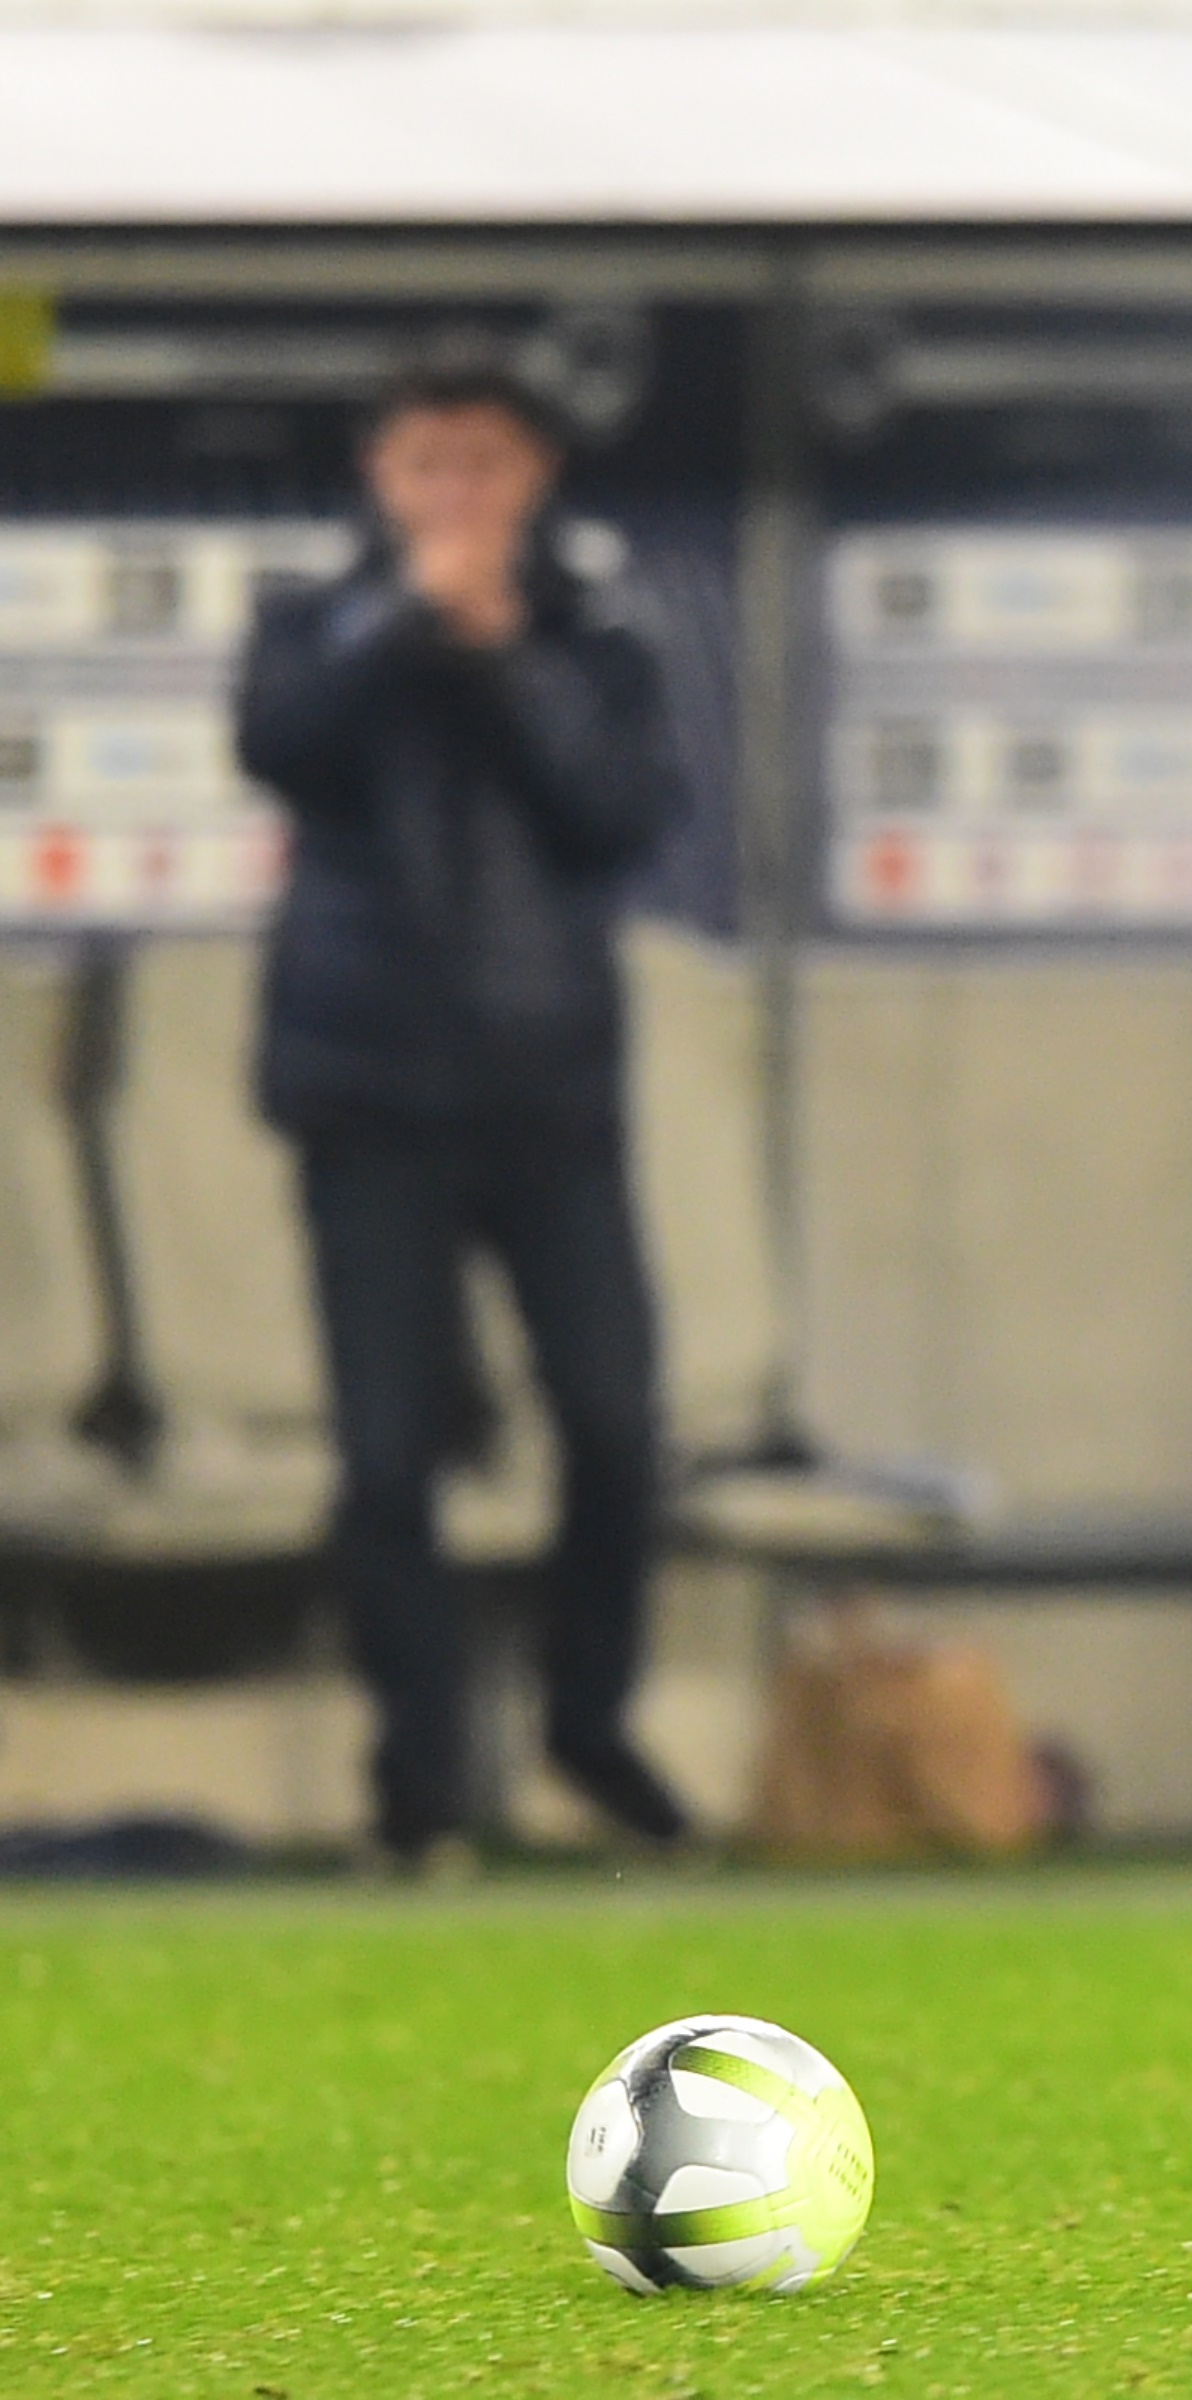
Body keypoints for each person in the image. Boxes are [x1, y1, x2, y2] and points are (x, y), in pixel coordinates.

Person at [234, 364, 689, 1869]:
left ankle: (588, 1732)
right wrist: (406, 627)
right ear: (380, 473)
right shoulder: (313, 625)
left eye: (484, 467)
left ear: (538, 476)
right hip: (366, 1093)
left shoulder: (597, 642)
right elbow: (286, 743)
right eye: (428, 466)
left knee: (618, 1427)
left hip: (551, 1097)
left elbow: (617, 813)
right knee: (387, 1455)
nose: (456, 497)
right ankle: (419, 1789)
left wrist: (500, 656)